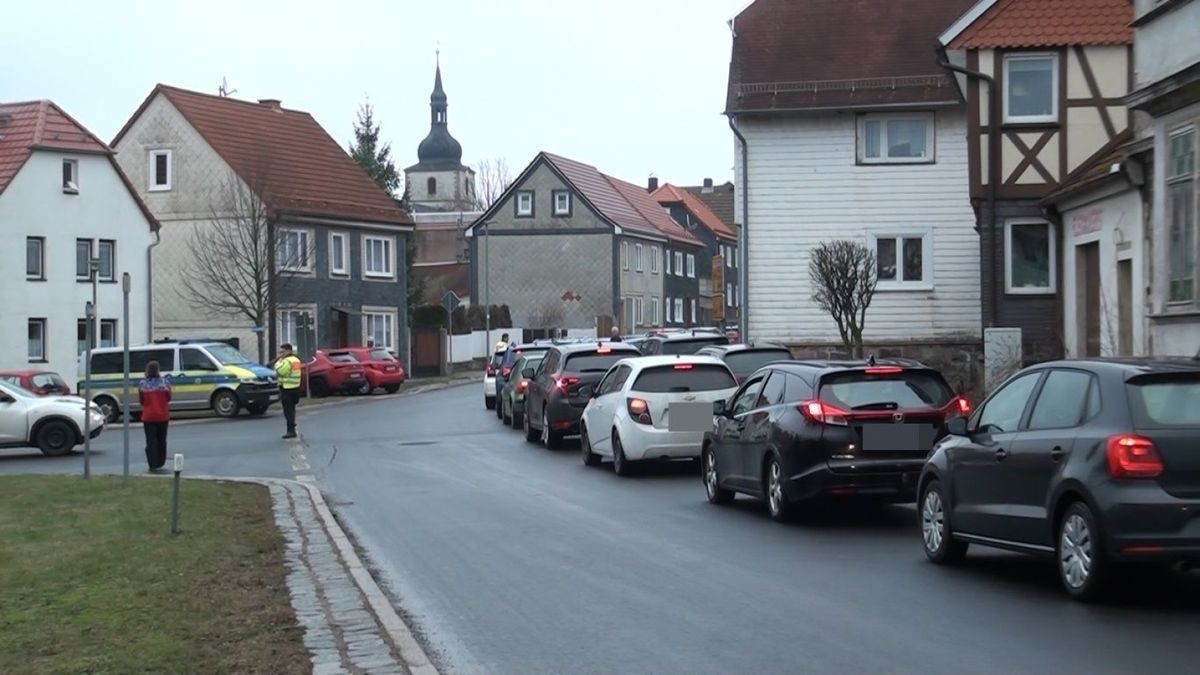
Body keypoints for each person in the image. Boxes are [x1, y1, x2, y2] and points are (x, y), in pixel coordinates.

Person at [138, 360, 172, 473]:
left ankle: (152, 463)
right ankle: (160, 461)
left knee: (151, 441)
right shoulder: (165, 383)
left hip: (148, 417)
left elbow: (141, 400)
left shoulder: (143, 384)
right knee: (162, 439)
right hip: (162, 415)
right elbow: (169, 398)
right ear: (158, 370)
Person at [274, 343, 303, 439]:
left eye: (282, 352)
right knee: (291, 410)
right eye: (280, 352)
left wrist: (278, 362)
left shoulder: (287, 361)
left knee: (288, 411)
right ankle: (292, 428)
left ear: (288, 351)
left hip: (287, 388)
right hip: (295, 387)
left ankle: (291, 430)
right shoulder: (296, 360)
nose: (280, 354)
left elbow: (281, 371)